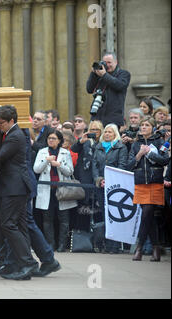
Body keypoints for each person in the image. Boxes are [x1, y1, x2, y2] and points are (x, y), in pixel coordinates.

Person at [0, 105, 38, 280]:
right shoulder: (9, 134)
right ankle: (21, 263)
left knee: (9, 225)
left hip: (14, 187)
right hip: (13, 187)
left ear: (11, 120)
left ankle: (27, 263)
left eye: (1, 123)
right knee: (20, 226)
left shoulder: (15, 136)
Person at [129, 117, 169, 262]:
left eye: (147, 125)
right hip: (140, 183)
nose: (143, 127)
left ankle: (139, 247)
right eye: (142, 125)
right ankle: (155, 247)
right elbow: (128, 165)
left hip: (154, 182)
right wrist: (139, 154)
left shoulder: (159, 142)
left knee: (147, 213)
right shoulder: (135, 144)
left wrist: (150, 153)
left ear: (153, 127)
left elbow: (165, 160)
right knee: (149, 217)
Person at [33, 130, 77, 252]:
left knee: (63, 218)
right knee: (47, 219)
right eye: (49, 138)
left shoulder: (65, 153)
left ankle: (62, 245)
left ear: (59, 140)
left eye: (53, 138)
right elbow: (36, 169)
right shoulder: (42, 152)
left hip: (62, 189)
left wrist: (59, 165)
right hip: (47, 189)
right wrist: (46, 160)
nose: (51, 140)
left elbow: (70, 171)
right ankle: (50, 245)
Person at [92, 123, 128, 253]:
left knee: (115, 215)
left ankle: (115, 245)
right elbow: (94, 166)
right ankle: (106, 244)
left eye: (110, 132)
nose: (107, 134)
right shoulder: (98, 147)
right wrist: (99, 180)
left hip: (115, 186)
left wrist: (110, 180)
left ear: (115, 134)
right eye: (105, 132)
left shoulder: (121, 147)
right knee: (104, 214)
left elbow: (122, 165)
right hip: (100, 186)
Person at [70, 120, 104, 231]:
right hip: (84, 177)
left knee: (98, 208)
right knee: (83, 208)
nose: (94, 132)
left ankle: (98, 238)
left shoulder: (103, 143)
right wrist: (81, 141)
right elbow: (74, 149)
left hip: (98, 177)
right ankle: (83, 236)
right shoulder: (85, 142)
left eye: (97, 130)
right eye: (92, 130)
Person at [86, 52, 131, 127]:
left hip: (113, 118)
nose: (107, 65)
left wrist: (104, 75)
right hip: (97, 116)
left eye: (109, 62)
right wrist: (93, 74)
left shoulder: (123, 74)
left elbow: (119, 85)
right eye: (105, 63)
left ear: (116, 62)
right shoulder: (99, 75)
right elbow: (89, 89)